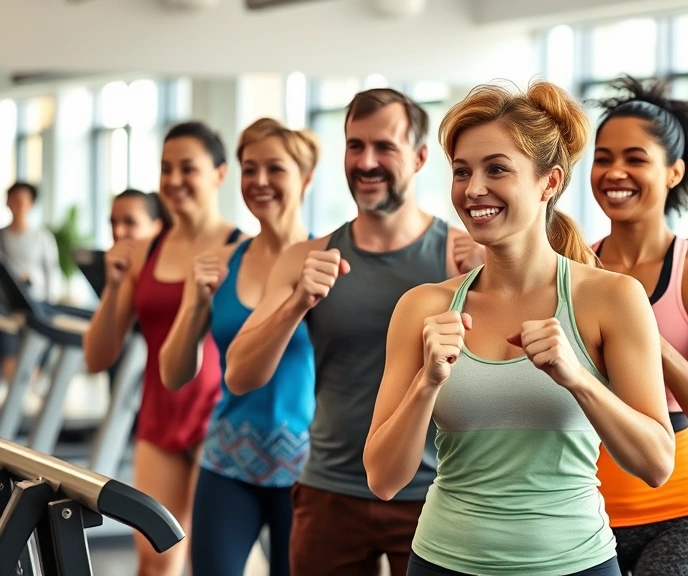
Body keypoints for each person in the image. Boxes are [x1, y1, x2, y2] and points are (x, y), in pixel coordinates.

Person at [363, 80, 676, 576]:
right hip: (444, 563)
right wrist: (427, 383)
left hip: (575, 565)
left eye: (497, 169)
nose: (474, 189)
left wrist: (578, 379)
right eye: (462, 171)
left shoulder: (612, 298)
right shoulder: (423, 307)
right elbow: (383, 480)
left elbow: (656, 464)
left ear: (548, 183)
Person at [225, 88, 484, 576]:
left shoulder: (465, 256)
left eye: (384, 147)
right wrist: (297, 302)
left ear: (420, 157)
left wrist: (479, 280)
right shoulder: (308, 259)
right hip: (330, 493)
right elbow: (239, 375)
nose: (366, 162)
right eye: (355, 145)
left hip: (438, 495)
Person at [588, 76, 688, 575]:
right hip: (580, 512)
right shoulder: (570, 267)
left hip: (685, 513)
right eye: (603, 158)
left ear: (674, 171)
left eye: (635, 159)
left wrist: (644, 335)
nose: (615, 172)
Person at [160, 118, 318, 576]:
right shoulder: (221, 263)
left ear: (306, 179)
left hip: (308, 468)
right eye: (250, 169)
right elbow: (173, 374)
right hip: (227, 461)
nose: (260, 181)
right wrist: (196, 303)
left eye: (275, 169)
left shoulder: (327, 263)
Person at [82, 121, 242, 576]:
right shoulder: (144, 252)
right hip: (160, 416)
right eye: (165, 168)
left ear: (219, 173)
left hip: (222, 418)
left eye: (187, 168)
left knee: (213, 562)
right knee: (154, 563)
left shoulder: (242, 249)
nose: (173, 180)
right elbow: (97, 357)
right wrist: (115, 286)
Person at [0, 182, 62, 382]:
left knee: (42, 332)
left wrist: (50, 299)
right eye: (14, 200)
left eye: (22, 200)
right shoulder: (2, 236)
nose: (18, 204)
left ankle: (32, 378)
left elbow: (52, 271)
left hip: (35, 300)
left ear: (31, 204)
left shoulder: (42, 238)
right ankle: (10, 380)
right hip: (6, 303)